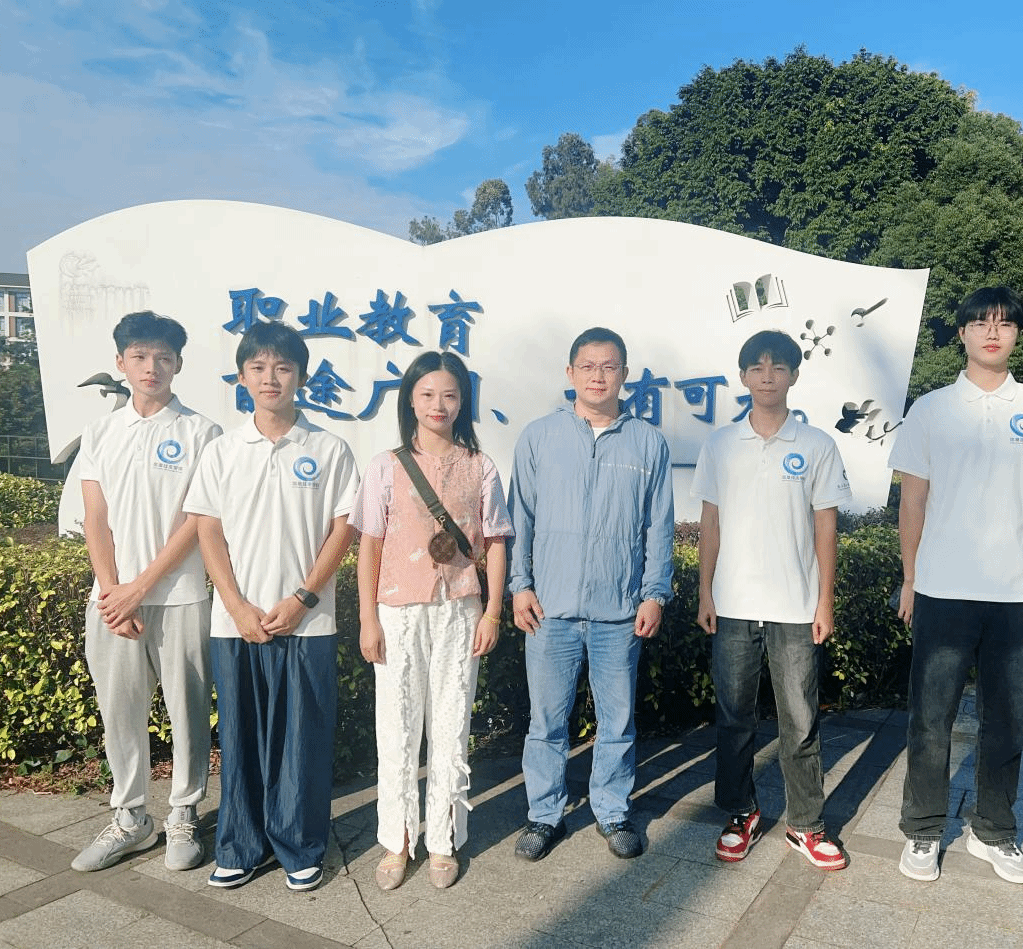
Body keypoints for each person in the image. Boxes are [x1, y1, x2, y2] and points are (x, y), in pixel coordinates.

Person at [890, 286, 1023, 885]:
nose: (992, 332)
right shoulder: (931, 409)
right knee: (931, 718)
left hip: (1015, 593)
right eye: (980, 323)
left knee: (1007, 720)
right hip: (943, 589)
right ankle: (923, 830)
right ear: (962, 334)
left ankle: (992, 831)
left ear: (1017, 334)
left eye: (1004, 323)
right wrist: (910, 578)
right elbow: (913, 499)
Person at [184, 321, 358, 893]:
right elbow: (208, 531)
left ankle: (300, 845)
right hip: (236, 623)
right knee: (239, 738)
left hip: (308, 623)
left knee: (302, 740)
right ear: (241, 377)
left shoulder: (329, 449)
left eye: (283, 368)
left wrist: (304, 597)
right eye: (258, 368)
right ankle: (239, 845)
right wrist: (235, 606)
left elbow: (343, 529)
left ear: (301, 377)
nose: (270, 378)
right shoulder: (222, 451)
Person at [507, 327, 674, 862]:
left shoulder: (647, 442)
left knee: (617, 722)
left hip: (618, 611)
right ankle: (544, 815)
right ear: (570, 372)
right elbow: (519, 519)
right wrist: (519, 586)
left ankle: (613, 810)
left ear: (625, 374)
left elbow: (658, 526)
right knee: (546, 723)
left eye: (609, 366)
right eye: (587, 366)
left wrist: (655, 593)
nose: (598, 376)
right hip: (549, 611)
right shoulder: (539, 437)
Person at [350, 351, 514, 891]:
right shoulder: (386, 465)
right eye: (426, 394)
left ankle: (443, 839)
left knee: (451, 725)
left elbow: (495, 541)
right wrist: (367, 619)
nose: (438, 405)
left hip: (459, 608)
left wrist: (492, 611)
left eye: (449, 394)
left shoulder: (480, 466)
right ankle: (396, 840)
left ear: (463, 401)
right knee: (396, 725)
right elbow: (369, 546)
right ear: (410, 400)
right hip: (397, 611)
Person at [692, 330, 852, 870]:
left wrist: (824, 602)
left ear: (794, 376)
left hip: (795, 607)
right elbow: (710, 524)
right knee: (734, 719)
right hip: (733, 605)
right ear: (743, 377)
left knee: (800, 721)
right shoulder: (720, 445)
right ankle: (741, 812)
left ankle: (806, 824)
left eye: (778, 367)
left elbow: (825, 527)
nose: (767, 377)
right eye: (757, 368)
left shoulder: (817, 445)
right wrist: (705, 591)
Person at [72, 311, 221, 873]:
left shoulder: (201, 433)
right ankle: (131, 818)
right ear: (120, 362)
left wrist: (140, 588)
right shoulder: (101, 433)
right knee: (120, 711)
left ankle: (184, 812)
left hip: (180, 597)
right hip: (111, 603)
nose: (151, 367)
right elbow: (95, 515)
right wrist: (114, 592)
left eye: (163, 357)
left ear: (179, 364)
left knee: (187, 711)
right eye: (139, 356)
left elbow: (196, 521)